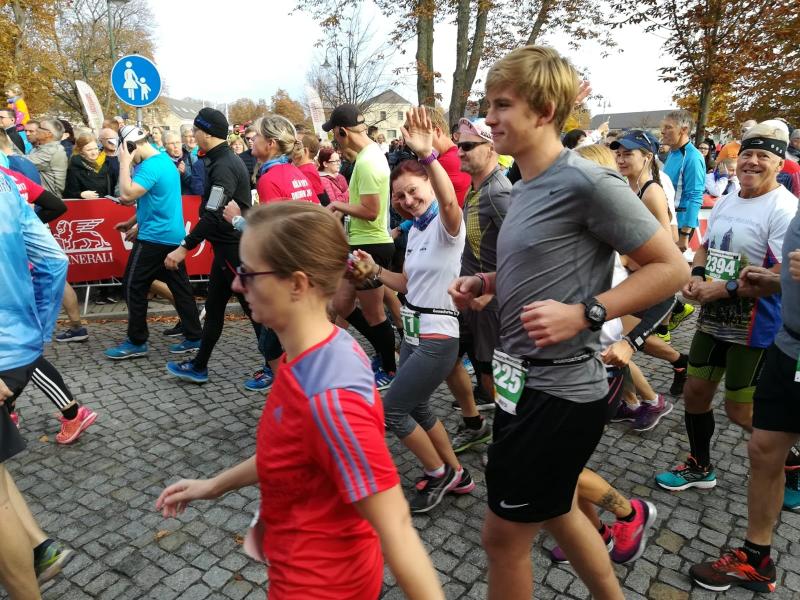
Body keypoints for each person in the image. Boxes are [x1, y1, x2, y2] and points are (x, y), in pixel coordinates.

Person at [448, 45, 688, 600]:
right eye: (488, 104)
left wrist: (587, 312)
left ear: (544, 111)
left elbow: (672, 268)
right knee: (558, 511)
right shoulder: (522, 186)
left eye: (501, 105)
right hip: (521, 383)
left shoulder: (588, 182)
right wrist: (486, 283)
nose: (488, 119)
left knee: (502, 539)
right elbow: (539, 267)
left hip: (559, 391)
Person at [156, 201, 445, 600]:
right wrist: (213, 486)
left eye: (248, 273)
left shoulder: (330, 395)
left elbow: (396, 526)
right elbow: (290, 450)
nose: (237, 285)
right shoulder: (312, 354)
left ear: (296, 284)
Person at [655, 121, 797, 493]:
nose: (752, 162)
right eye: (747, 154)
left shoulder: (785, 208)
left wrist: (723, 289)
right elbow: (705, 245)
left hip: (756, 326)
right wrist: (697, 275)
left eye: (763, 156)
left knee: (741, 411)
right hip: (712, 318)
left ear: (779, 164)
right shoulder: (730, 197)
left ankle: (793, 464)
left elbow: (782, 273)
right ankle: (700, 466)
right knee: (695, 393)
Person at [351, 108, 476, 513]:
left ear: (430, 185)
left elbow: (450, 201)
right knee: (417, 406)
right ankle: (457, 472)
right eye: (399, 197)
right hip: (413, 329)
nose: (407, 201)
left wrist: (428, 156)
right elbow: (406, 284)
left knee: (392, 411)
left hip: (440, 335)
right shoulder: (416, 232)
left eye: (413, 191)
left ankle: (439, 472)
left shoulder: (446, 225)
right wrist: (374, 272)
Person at [690, 205, 800, 592]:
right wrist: (772, 279)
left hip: (770, 339)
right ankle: (756, 559)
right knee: (764, 449)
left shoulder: (781, 206)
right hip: (788, 346)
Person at [0, 173, 80, 600]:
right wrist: (37, 333)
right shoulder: (6, 182)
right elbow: (53, 260)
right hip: (17, 344)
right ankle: (39, 547)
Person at [165, 108, 256, 384]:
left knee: (256, 312)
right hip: (225, 250)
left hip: (234, 250)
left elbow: (213, 214)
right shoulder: (218, 159)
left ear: (205, 132)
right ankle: (199, 365)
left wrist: (185, 247)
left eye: (196, 130)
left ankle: (276, 366)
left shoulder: (224, 164)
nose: (193, 135)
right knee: (214, 310)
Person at [226, 115, 315, 392]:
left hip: (287, 269)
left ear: (271, 143)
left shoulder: (270, 179)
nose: (251, 140)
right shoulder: (296, 173)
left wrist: (236, 220)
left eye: (257, 136)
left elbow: (271, 234)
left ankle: (292, 394)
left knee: (271, 342)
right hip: (305, 265)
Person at [102, 125, 203, 359]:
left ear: (130, 147)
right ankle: (195, 336)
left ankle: (137, 341)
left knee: (132, 286)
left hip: (154, 238)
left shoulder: (150, 166)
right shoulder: (164, 161)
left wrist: (124, 163)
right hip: (170, 234)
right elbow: (157, 200)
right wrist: (134, 223)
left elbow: (127, 195)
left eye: (124, 150)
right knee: (180, 288)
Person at [447, 117, 511, 453]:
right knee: (448, 357)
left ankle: (506, 441)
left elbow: (523, 251)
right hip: (471, 301)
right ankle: (476, 424)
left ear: (491, 148)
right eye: (459, 145)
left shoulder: (499, 193)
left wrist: (492, 289)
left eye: (469, 146)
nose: (460, 152)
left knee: (493, 374)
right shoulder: (478, 189)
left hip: (492, 305)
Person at [324, 103, 398, 390]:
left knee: (374, 313)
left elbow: (370, 210)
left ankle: (389, 367)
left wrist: (337, 204)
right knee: (341, 304)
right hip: (362, 244)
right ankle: (383, 349)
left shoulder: (368, 162)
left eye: (334, 133)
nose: (334, 140)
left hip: (371, 246)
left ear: (343, 131)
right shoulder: (370, 155)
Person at [661, 110, 706, 253]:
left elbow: (696, 196)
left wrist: (685, 235)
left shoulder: (693, 157)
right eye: (663, 127)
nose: (662, 131)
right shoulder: (673, 153)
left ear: (684, 130)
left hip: (680, 225)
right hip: (667, 220)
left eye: (668, 127)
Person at [424, 106, 471, 207]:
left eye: (422, 135)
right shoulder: (453, 154)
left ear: (437, 131)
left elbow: (421, 203)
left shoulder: (446, 161)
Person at [63, 134, 112, 199]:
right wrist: (80, 194)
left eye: (96, 148)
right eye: (89, 150)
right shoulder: (74, 169)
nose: (94, 153)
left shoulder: (105, 164)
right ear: (81, 151)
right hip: (85, 204)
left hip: (105, 203)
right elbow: (68, 193)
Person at [28, 118, 68, 197]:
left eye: (40, 127)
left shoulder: (52, 151)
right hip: (41, 196)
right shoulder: (42, 148)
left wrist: (6, 142)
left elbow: (21, 163)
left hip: (49, 198)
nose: (36, 129)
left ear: (48, 134)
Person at [292, 133, 329, 205]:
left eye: (297, 146)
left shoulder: (307, 171)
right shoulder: (306, 169)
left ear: (305, 151)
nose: (293, 149)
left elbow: (321, 197)